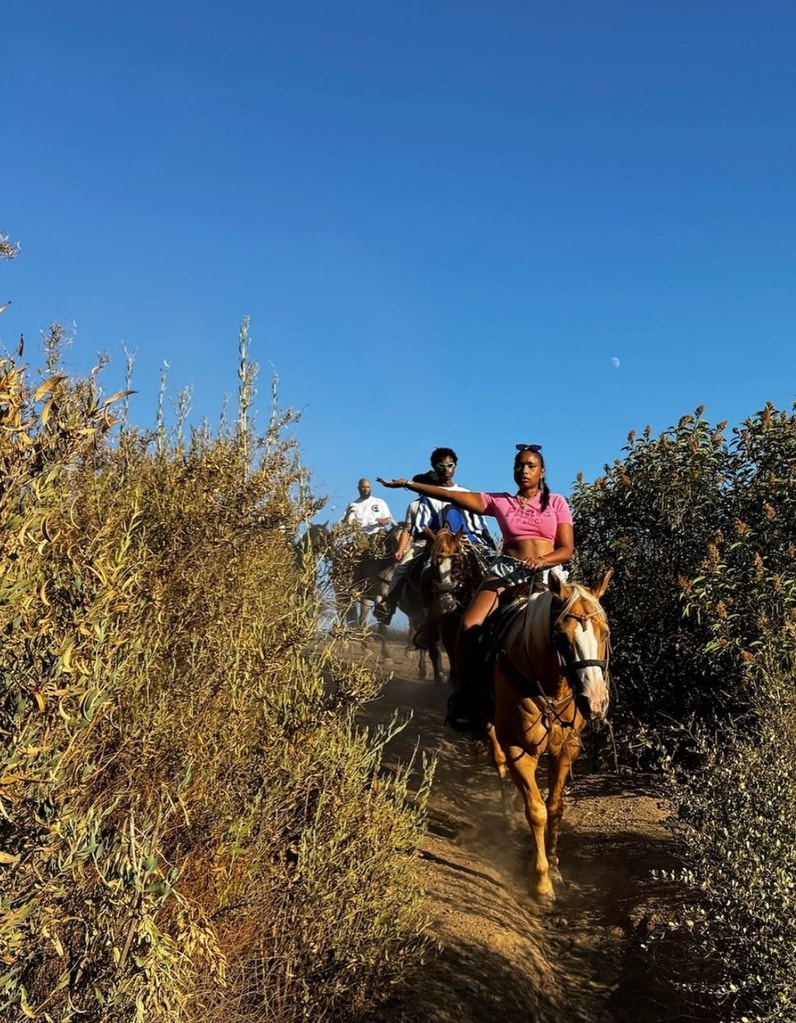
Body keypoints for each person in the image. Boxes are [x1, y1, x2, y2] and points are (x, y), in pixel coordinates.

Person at [377, 443, 574, 729]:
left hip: (547, 573)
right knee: (469, 624)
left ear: (542, 471)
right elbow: (449, 495)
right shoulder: (500, 502)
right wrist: (409, 484)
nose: (524, 470)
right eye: (519, 465)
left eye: (530, 465)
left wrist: (542, 560)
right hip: (507, 571)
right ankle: (466, 695)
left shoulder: (556, 502)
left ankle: (583, 694)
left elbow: (566, 549)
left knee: (575, 625)